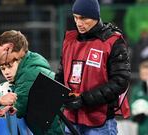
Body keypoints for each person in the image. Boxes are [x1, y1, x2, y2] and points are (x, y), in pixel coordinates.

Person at [55, 0, 131, 134]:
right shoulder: (69, 39)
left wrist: (85, 99)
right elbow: (61, 73)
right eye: (75, 17)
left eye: (83, 18)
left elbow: (121, 81)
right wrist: (60, 95)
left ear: (95, 17)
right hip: (70, 120)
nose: (79, 23)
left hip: (100, 124)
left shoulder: (112, 41)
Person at [0, 51, 65, 134]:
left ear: (19, 62)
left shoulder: (27, 76)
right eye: (3, 69)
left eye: (10, 67)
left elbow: (17, 110)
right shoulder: (34, 67)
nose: (6, 72)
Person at [130, 60, 148, 135]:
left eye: (147, 74)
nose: (145, 76)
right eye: (143, 74)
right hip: (142, 128)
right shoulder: (136, 89)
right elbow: (132, 106)